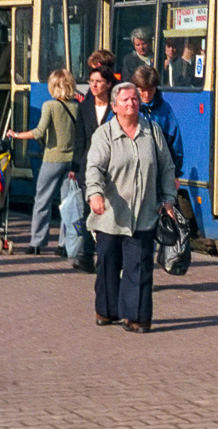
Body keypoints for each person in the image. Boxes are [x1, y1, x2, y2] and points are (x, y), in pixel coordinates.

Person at [85, 81, 177, 333]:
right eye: (125, 100)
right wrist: (94, 194)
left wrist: (168, 198)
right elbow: (94, 168)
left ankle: (136, 317)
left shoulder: (152, 132)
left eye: (135, 99)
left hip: (144, 213)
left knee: (140, 266)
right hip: (110, 215)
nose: (131, 103)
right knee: (108, 264)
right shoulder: (104, 135)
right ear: (114, 107)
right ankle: (107, 310)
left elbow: (167, 167)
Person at [7, 68, 80, 256]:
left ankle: (37, 243)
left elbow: (39, 132)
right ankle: (63, 246)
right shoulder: (77, 107)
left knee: (42, 201)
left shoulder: (50, 106)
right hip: (71, 162)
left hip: (52, 160)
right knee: (67, 204)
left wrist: (16, 135)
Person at [70, 50, 116, 273]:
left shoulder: (117, 108)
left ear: (109, 84)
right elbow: (80, 139)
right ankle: (86, 255)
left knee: (110, 212)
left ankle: (107, 257)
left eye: (98, 82)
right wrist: (74, 167)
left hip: (113, 167)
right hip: (89, 167)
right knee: (89, 212)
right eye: (91, 82)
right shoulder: (85, 107)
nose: (93, 86)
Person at [131, 65, 184, 180]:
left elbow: (174, 143)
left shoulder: (165, 110)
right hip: (130, 172)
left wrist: (175, 173)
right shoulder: (126, 106)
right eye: (142, 90)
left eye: (150, 90)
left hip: (157, 174)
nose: (146, 95)